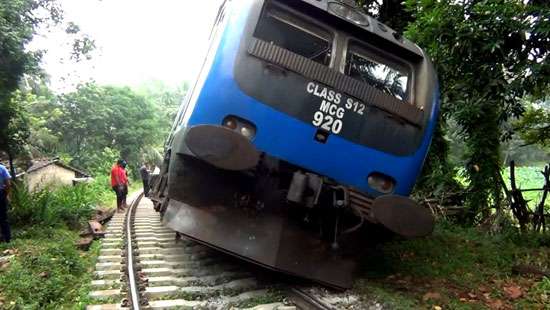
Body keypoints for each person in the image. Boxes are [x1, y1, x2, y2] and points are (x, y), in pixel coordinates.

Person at [0, 163, 12, 243]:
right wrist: (7, 195)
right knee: (3, 217)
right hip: (0, 194)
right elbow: (8, 184)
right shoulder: (2, 168)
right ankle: (7, 239)